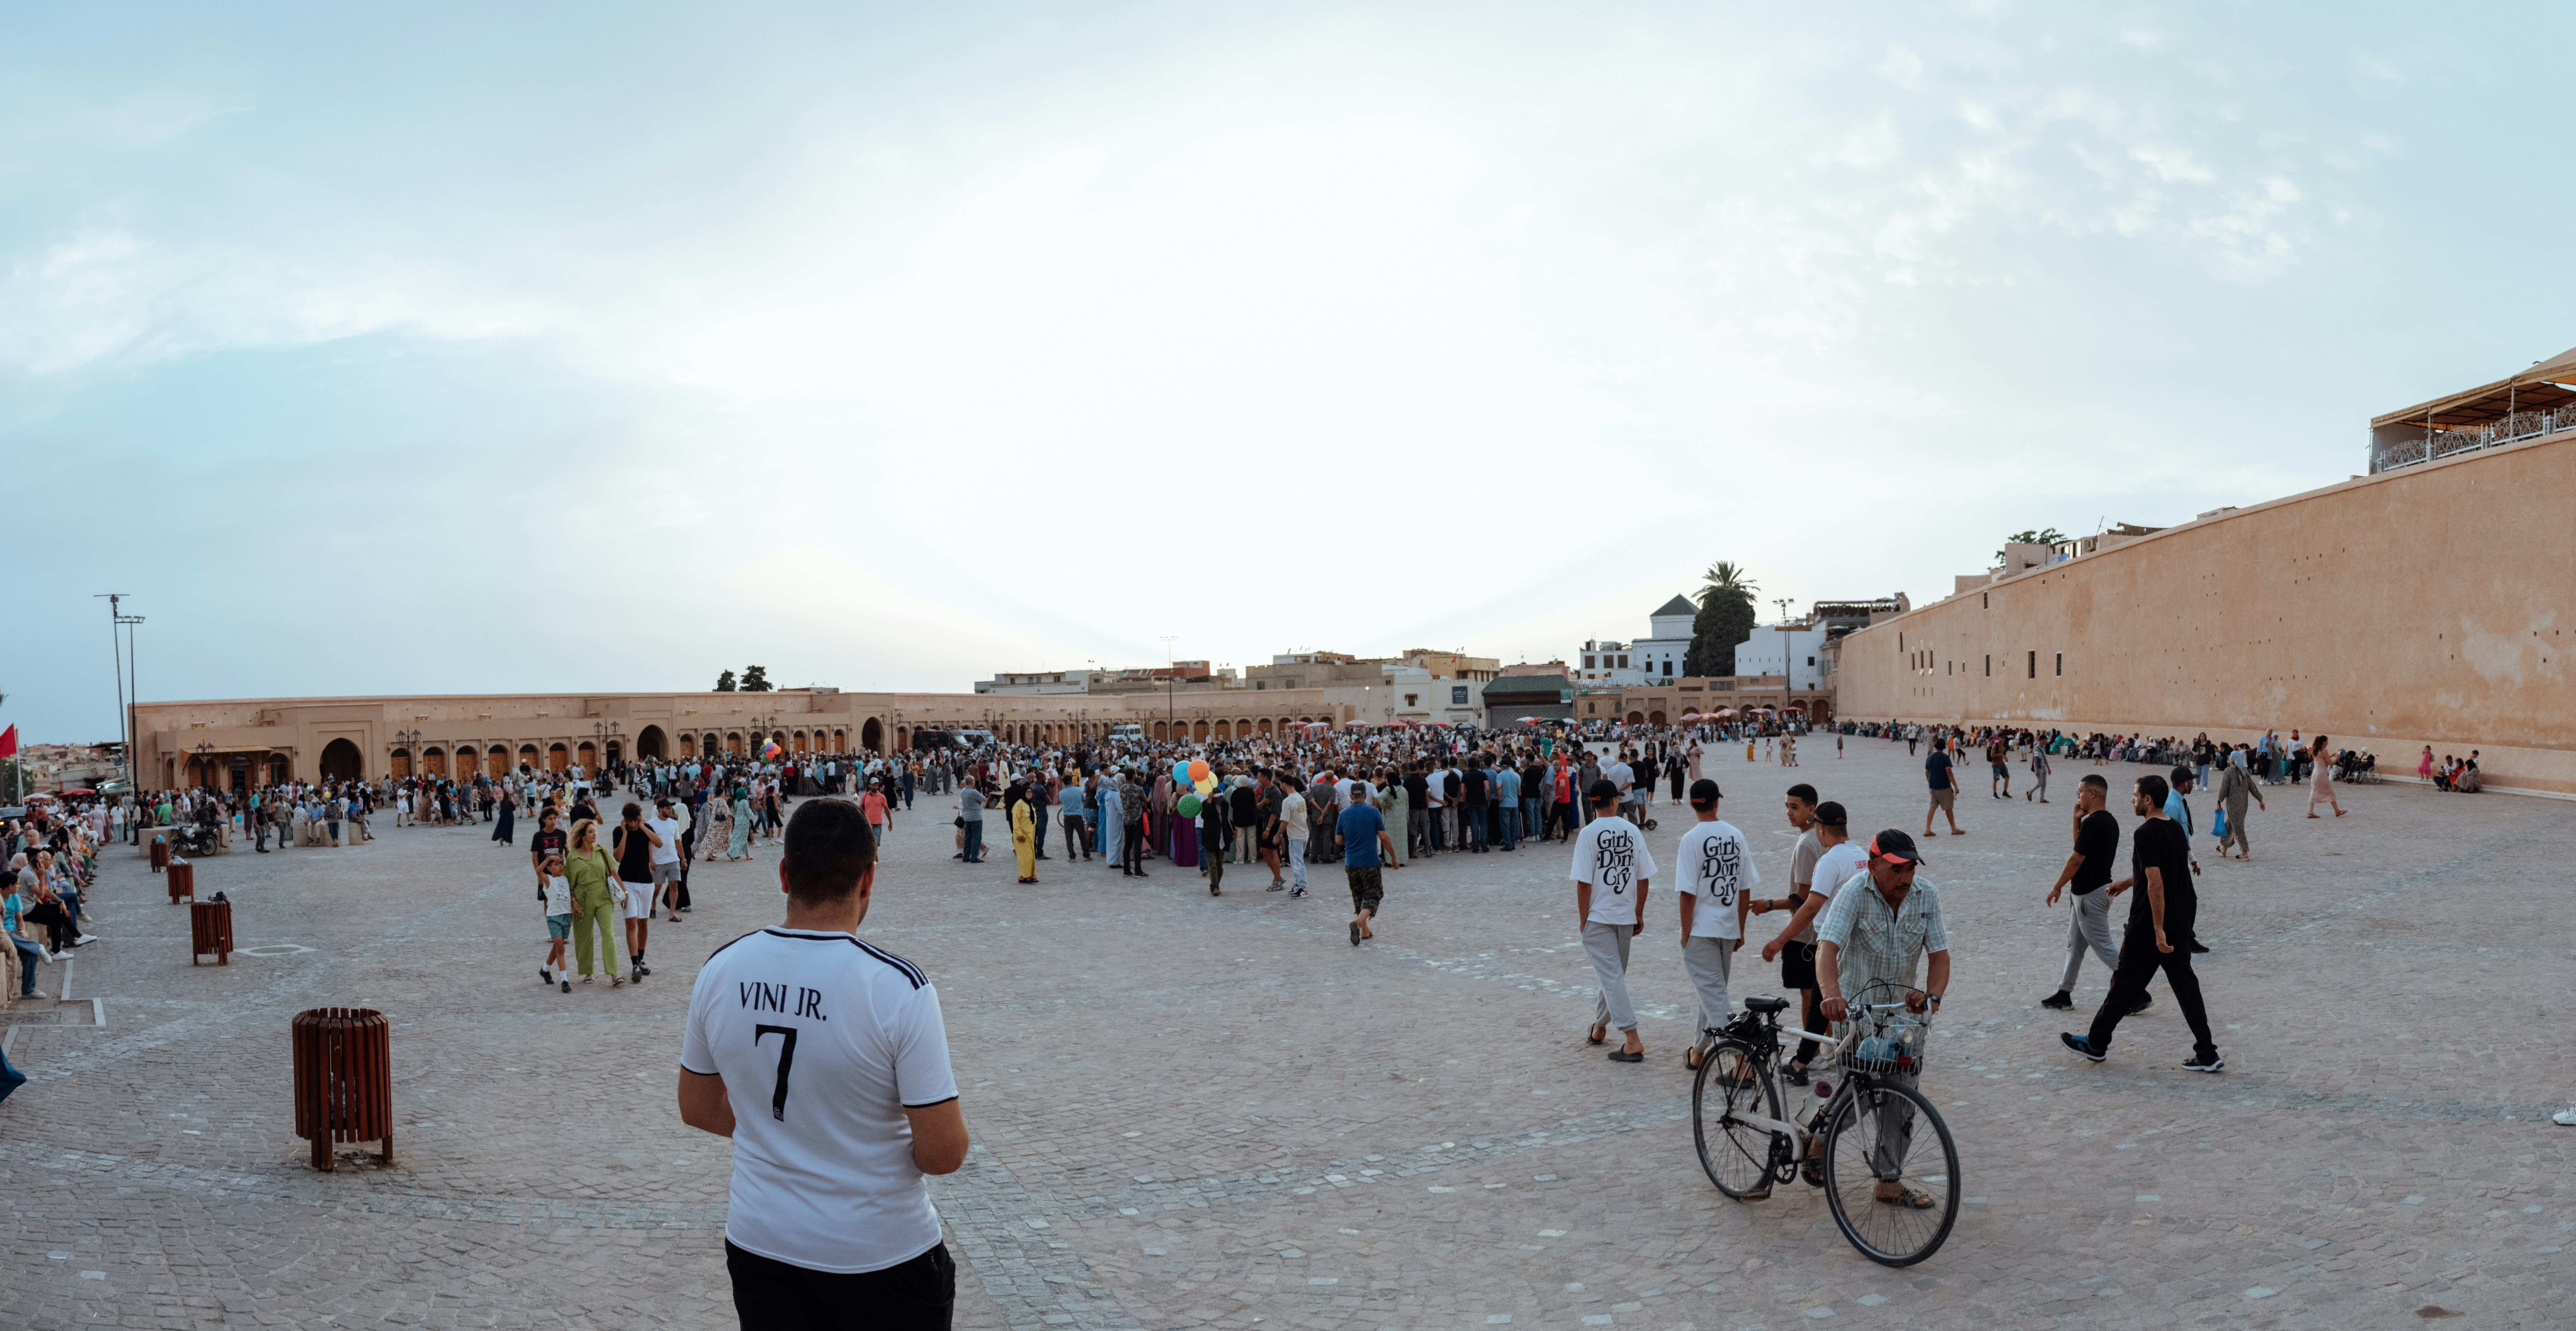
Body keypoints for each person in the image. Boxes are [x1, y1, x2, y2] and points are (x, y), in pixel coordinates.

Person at [678, 799, 967, 1331]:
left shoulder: (721, 969)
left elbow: (697, 1107)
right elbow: (944, 1151)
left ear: (785, 874)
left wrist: (782, 1132)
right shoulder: (896, 987)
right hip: (877, 1250)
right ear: (868, 879)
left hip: (760, 1238)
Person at [1813, 829, 1952, 1210]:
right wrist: (1830, 996)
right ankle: (1819, 1137)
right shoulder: (1854, 893)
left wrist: (1930, 999)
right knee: (1854, 1101)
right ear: (1873, 866)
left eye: (1909, 868)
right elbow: (1826, 948)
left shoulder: (1926, 896)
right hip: (1854, 1016)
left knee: (1901, 1101)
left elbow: (1939, 956)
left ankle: (1888, 1182)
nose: (1904, 878)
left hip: (1901, 1021)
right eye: (1895, 869)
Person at [2060, 774, 2224, 1072]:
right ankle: (2208, 1053)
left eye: (2136, 796)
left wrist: (2157, 929)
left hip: (2150, 928)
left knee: (2123, 984)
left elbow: (2156, 881)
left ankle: (2096, 1044)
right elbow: (2166, 871)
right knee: (2186, 987)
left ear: (2148, 800)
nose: (2132, 800)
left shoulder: (2144, 833)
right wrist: (2126, 882)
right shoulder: (2173, 828)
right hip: (2176, 924)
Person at [1571, 778, 1655, 1063]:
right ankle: (1599, 1027)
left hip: (1599, 915)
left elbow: (1583, 883)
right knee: (1613, 975)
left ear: (1592, 803)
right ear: (1615, 801)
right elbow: (1643, 878)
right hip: (1623, 915)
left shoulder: (1588, 833)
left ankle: (1632, 1039)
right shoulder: (1632, 830)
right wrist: (1638, 912)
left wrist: (1584, 919)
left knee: (1612, 976)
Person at [1674, 779, 1756, 1074]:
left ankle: (1742, 1060)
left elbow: (1687, 893)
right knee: (1712, 993)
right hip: (1726, 926)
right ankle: (1698, 1051)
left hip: (1700, 928)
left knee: (1715, 996)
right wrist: (1740, 928)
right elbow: (1745, 888)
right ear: (1716, 803)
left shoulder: (1691, 839)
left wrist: (1685, 933)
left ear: (1692, 804)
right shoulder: (1735, 835)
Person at [2038, 774, 2122, 1012]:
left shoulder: (2096, 823)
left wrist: (2057, 887)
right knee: (2074, 945)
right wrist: (2076, 821)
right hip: (2085, 896)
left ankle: (2136, 992)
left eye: (2080, 792)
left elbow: (2076, 859)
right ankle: (2064, 993)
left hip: (2090, 896)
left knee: (2104, 947)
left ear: (2093, 794)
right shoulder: (2105, 821)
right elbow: (2080, 847)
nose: (2078, 797)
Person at [563, 819, 624, 987]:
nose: (594, 834)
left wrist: (624, 893)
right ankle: (588, 972)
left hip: (604, 897)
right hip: (582, 900)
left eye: (595, 831)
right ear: (582, 836)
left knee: (609, 934)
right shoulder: (573, 857)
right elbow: (568, 884)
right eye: (590, 832)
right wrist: (573, 902)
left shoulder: (602, 851)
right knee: (584, 937)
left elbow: (613, 872)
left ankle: (614, 975)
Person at [1338, 780, 1395, 945]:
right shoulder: (1374, 812)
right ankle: (1357, 923)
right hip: (1370, 862)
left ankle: (1365, 932)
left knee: (1358, 897)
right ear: (1365, 796)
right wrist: (1394, 858)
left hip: (1351, 863)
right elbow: (1384, 837)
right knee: (1373, 895)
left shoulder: (1344, 815)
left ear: (1351, 797)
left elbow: (1338, 840)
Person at [613, 803, 665, 982]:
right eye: (630, 822)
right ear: (625, 820)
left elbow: (659, 843)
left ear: (639, 818)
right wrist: (626, 834)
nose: (633, 825)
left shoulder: (645, 828)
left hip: (646, 883)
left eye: (636, 821)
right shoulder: (619, 832)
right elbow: (617, 857)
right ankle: (634, 964)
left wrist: (643, 827)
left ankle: (641, 960)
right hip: (626, 882)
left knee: (643, 924)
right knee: (631, 925)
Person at [2213, 752, 2262, 860]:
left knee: (2238, 828)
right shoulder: (2246, 772)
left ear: (2233, 760)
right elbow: (2253, 788)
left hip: (2233, 806)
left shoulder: (2229, 771)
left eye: (2230, 758)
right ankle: (2223, 849)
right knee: (2231, 825)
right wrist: (2260, 800)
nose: (2229, 760)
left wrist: (2219, 801)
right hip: (2243, 806)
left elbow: (2224, 788)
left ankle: (2244, 853)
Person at [538, 852, 574, 993]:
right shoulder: (548, 880)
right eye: (556, 864)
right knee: (561, 948)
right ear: (549, 868)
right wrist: (548, 859)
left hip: (567, 917)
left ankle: (545, 970)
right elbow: (538, 871)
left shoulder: (566, 879)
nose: (560, 866)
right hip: (554, 917)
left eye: (562, 863)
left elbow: (571, 893)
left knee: (557, 946)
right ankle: (564, 981)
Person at [649, 798, 687, 924]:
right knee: (657, 888)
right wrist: (651, 861)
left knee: (674, 886)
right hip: (658, 861)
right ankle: (653, 904)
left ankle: (672, 914)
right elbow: (648, 844)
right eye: (668, 808)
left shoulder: (674, 823)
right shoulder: (651, 824)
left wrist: (683, 859)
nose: (671, 811)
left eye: (671, 808)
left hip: (673, 859)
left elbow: (678, 842)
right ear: (660, 810)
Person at [1276, 770, 1309, 897]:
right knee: (1297, 862)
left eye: (1281, 784)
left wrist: (1277, 835)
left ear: (1284, 784)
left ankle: (1302, 888)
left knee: (1297, 862)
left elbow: (1284, 822)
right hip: (1303, 833)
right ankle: (1299, 885)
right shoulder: (1300, 798)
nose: (1280, 786)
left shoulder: (1288, 801)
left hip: (1296, 835)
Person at [1924, 741, 1963, 836]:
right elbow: (1949, 772)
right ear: (1944, 748)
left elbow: (1927, 772)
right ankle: (1954, 829)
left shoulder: (1930, 757)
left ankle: (1928, 830)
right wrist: (1955, 786)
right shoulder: (1945, 758)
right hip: (1944, 787)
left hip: (1933, 787)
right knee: (1949, 808)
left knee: (1932, 807)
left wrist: (1931, 783)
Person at [2305, 736, 2346, 818]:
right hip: (2322, 775)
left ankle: (2310, 812)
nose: (2328, 743)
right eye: (2327, 742)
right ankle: (2337, 811)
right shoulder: (2324, 751)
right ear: (2324, 742)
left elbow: (2322, 761)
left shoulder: (2315, 750)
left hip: (2315, 774)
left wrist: (2330, 756)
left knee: (2313, 792)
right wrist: (2337, 758)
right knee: (2330, 792)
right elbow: (2331, 764)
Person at [1010, 785, 1038, 884]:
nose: (1030, 794)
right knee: (1026, 857)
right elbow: (1016, 821)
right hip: (1022, 835)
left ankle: (1025, 876)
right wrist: (1019, 834)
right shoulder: (1019, 805)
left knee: (1030, 856)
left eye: (1031, 792)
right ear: (1024, 794)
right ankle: (1027, 877)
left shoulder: (1030, 805)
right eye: (1028, 792)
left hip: (1030, 836)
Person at [956, 783, 986, 864]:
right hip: (976, 818)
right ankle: (974, 858)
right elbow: (984, 799)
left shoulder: (963, 792)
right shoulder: (974, 792)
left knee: (968, 838)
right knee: (976, 837)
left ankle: (966, 857)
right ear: (973, 783)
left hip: (967, 818)